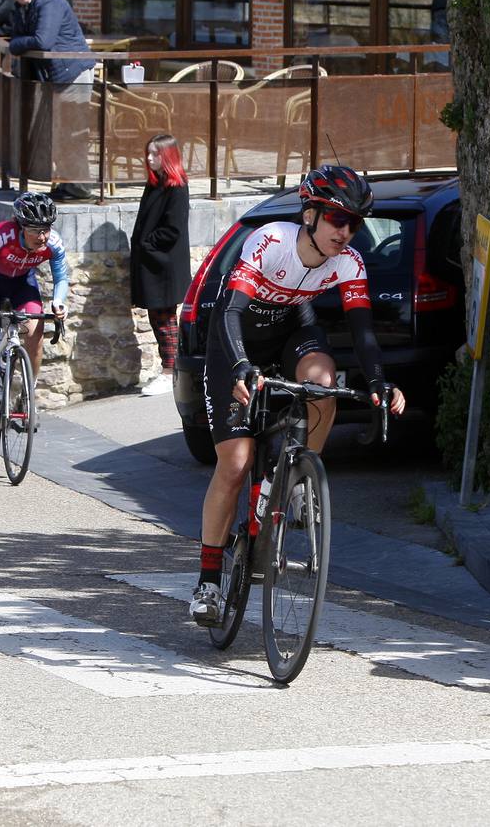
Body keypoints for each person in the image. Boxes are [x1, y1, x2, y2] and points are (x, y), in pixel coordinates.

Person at [189, 165, 407, 624]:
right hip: (237, 340)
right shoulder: (271, 240)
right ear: (309, 214)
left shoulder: (348, 262)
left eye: (355, 223)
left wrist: (379, 382)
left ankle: (301, 478)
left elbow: (362, 332)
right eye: (336, 219)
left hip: (291, 330)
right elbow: (230, 310)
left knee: (323, 384)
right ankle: (208, 581)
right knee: (235, 464)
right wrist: (242, 367)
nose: (346, 232)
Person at [0, 191, 69, 431]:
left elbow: (62, 275)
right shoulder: (3, 235)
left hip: (22, 285)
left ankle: (28, 397)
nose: (43, 237)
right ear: (21, 227)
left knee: (35, 334)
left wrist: (59, 302)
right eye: (35, 230)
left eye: (47, 229)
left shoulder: (53, 243)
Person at [0, 0, 95, 201]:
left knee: (72, 133)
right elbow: (17, 29)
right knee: (58, 133)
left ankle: (81, 189)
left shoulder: (48, 1)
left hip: (72, 74)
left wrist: (15, 45)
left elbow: (43, 40)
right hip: (55, 77)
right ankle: (66, 184)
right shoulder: (25, 5)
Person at [130, 134, 191, 396]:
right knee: (158, 318)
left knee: (164, 319)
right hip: (153, 261)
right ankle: (171, 367)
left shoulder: (176, 187)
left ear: (167, 157)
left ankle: (169, 370)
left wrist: (146, 243)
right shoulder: (156, 183)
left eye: (155, 154)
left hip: (163, 265)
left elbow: (173, 229)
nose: (149, 158)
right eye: (148, 153)